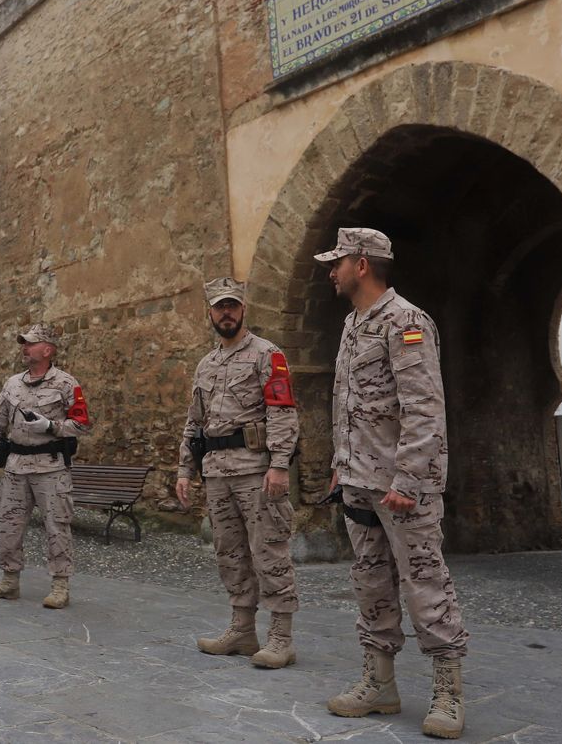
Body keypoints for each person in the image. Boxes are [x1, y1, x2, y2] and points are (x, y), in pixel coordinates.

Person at [316, 228, 469, 739]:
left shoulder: (405, 321)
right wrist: (341, 463)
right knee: (370, 580)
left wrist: (407, 477)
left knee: (424, 581)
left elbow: (424, 407)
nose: (330, 271)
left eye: (337, 262)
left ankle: (448, 690)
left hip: (403, 487)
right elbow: (347, 402)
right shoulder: (352, 324)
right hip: (359, 481)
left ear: (361, 264)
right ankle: (380, 683)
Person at [174, 277, 301, 668]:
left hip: (256, 471)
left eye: (232, 305)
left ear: (243, 309)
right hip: (216, 472)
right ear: (210, 312)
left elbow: (282, 412)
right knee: (228, 553)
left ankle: (281, 637)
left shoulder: (268, 354)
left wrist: (280, 465)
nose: (225, 312)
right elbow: (195, 421)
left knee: (269, 551)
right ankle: (243, 629)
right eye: (219, 307)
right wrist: (185, 469)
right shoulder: (206, 364)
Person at [0, 323, 91, 609]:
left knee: (57, 527)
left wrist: (50, 426)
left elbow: (82, 424)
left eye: (30, 343)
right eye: (23, 344)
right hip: (16, 467)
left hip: (50, 468)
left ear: (48, 349)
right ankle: (9, 581)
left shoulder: (66, 383)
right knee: (9, 526)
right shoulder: (12, 384)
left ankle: (60, 586)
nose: (24, 348)